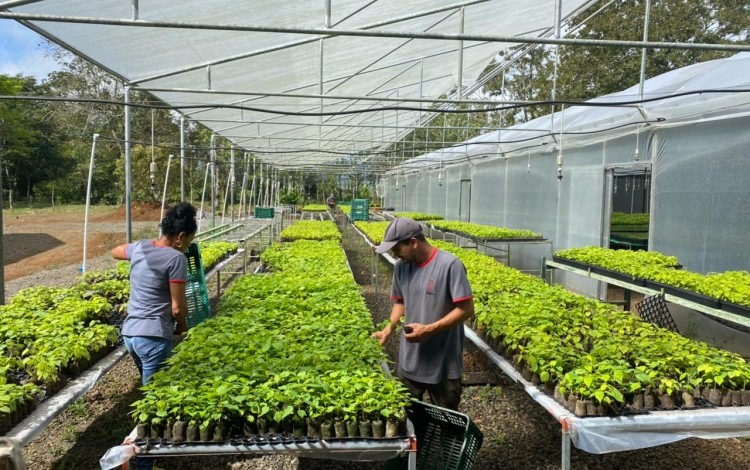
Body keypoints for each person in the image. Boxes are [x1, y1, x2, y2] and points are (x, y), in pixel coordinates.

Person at [111, 202, 197, 470]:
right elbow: (177, 306)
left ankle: (135, 455)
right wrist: (183, 327)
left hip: (131, 336)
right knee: (156, 406)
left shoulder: (140, 247)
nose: (186, 247)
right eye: (188, 241)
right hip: (154, 338)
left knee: (150, 396)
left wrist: (138, 252)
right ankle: (138, 464)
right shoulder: (176, 259)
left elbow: (115, 251)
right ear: (181, 236)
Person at [372, 218, 474, 411]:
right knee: (406, 420)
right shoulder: (401, 267)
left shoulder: (450, 265)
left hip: (444, 365)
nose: (394, 254)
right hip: (410, 362)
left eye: (396, 248)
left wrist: (430, 329)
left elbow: (466, 309)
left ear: (413, 242)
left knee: (446, 424)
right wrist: (388, 328)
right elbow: (401, 301)